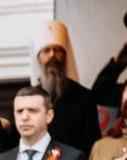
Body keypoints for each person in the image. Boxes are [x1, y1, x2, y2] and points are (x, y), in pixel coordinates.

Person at [31, 24, 100, 153]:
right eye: (46, 50)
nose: (52, 55)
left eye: (58, 50)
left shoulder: (84, 97)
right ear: (38, 58)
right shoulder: (29, 99)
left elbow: (93, 145)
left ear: (65, 55)